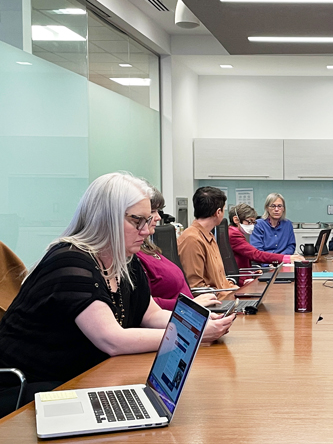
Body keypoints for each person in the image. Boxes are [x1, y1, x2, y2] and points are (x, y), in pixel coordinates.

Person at [0, 173, 233, 411]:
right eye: (137, 221)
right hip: (29, 393)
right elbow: (113, 340)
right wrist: (190, 337)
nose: (148, 230)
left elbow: (150, 315)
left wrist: (196, 323)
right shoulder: (70, 262)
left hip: (78, 380)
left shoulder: (125, 259)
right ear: (105, 218)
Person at [136, 185, 219, 310]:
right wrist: (190, 305)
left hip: (188, 313)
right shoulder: (133, 256)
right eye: (152, 212)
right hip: (179, 315)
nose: (158, 217)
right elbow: (143, 305)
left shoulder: (149, 249)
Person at [177, 186, 235, 294]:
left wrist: (237, 290)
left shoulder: (208, 236)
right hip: (215, 304)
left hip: (225, 298)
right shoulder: (192, 239)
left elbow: (220, 281)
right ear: (218, 212)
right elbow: (196, 288)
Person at [228, 203, 303, 274]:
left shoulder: (234, 232)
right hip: (241, 279)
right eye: (249, 221)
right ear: (236, 220)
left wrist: (252, 272)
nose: (252, 226)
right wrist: (286, 258)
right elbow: (256, 254)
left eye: (253, 222)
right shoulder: (234, 235)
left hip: (246, 274)